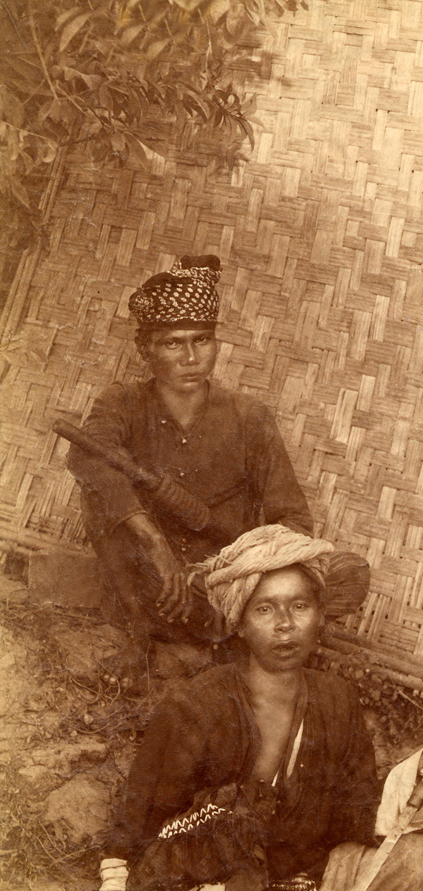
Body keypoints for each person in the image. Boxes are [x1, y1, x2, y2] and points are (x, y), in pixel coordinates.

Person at [98, 525, 423, 891]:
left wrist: (416, 784)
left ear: (319, 616)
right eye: (265, 610)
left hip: (303, 887)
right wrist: (139, 884)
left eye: (299, 607)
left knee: (413, 856)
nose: (286, 626)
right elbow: (148, 819)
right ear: (240, 624)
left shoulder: (336, 700)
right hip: (220, 885)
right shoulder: (197, 706)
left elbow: (356, 809)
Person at [66, 255, 313, 679]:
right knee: (99, 485)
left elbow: (292, 517)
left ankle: (203, 654)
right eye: (173, 343)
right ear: (145, 349)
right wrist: (154, 544)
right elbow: (86, 455)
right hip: (144, 583)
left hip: (218, 586)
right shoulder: (122, 402)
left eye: (202, 340)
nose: (191, 357)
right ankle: (141, 641)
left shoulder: (248, 417)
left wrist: (244, 567)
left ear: (217, 344)